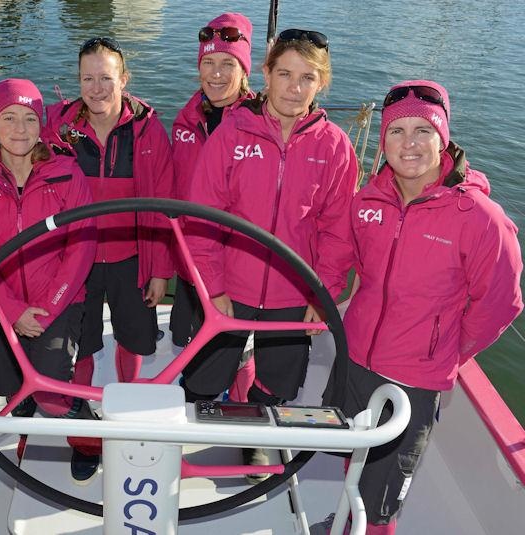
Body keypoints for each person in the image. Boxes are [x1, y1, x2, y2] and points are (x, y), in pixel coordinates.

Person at [311, 80, 523, 535]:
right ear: (383, 139)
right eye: (396, 132)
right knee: (353, 454)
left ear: (443, 137)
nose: (408, 144)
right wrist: (322, 298)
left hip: (415, 378)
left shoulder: (482, 219)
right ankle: (346, 520)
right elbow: (340, 258)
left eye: (422, 131)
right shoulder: (367, 198)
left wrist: (446, 351)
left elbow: (501, 304)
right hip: (355, 357)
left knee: (384, 494)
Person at [183, 29, 358, 474]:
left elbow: (338, 232)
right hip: (229, 287)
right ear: (265, 74)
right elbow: (203, 218)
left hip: (292, 295)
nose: (294, 88)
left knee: (278, 380)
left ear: (322, 83)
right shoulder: (230, 132)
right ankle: (190, 430)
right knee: (204, 375)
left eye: (307, 78)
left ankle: (255, 432)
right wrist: (213, 287)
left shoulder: (336, 146)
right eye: (284, 74)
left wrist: (322, 295)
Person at [43, 37, 174, 480]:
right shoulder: (58, 128)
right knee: (80, 345)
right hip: (74, 262)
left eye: (105, 77)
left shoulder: (149, 130)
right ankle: (84, 438)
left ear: (124, 79)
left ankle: (125, 419)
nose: (96, 87)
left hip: (131, 257)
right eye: (87, 78)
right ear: (77, 80)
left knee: (134, 340)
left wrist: (160, 270)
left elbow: (160, 203)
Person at [0, 79, 97, 481]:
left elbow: (82, 245)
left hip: (59, 301)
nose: (19, 129)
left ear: (42, 124)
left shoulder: (67, 173)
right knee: (10, 382)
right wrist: (12, 311)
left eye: (29, 119)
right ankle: (24, 411)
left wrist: (49, 308)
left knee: (53, 390)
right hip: (2, 305)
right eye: (9, 118)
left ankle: (89, 439)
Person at [170, 12, 257, 403]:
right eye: (208, 62)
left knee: (239, 348)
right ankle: (193, 415)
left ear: (245, 69)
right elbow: (174, 193)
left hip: (239, 267)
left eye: (228, 64)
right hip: (193, 261)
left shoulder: (261, 124)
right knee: (193, 349)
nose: (216, 74)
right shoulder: (186, 121)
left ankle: (242, 421)